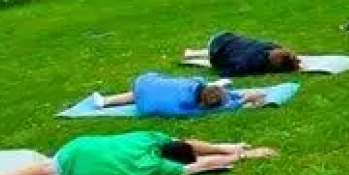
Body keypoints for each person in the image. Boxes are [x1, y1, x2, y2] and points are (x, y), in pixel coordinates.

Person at [0, 131, 275, 175]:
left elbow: (188, 144)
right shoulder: (162, 169)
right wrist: (242, 154)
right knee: (48, 170)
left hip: (75, 152)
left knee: (45, 168)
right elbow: (201, 164)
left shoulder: (147, 138)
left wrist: (224, 146)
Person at [91, 71, 270, 116]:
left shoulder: (194, 83)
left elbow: (216, 95)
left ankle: (105, 101)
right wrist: (244, 98)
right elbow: (226, 107)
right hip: (145, 106)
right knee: (142, 96)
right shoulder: (194, 110)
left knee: (139, 93)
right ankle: (105, 101)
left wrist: (239, 96)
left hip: (144, 85)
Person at [186, 32, 302, 76]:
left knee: (235, 49)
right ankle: (195, 53)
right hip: (216, 45)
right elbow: (223, 72)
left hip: (227, 35)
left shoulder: (274, 46)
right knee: (219, 56)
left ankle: (193, 52)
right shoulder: (248, 63)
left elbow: (288, 56)